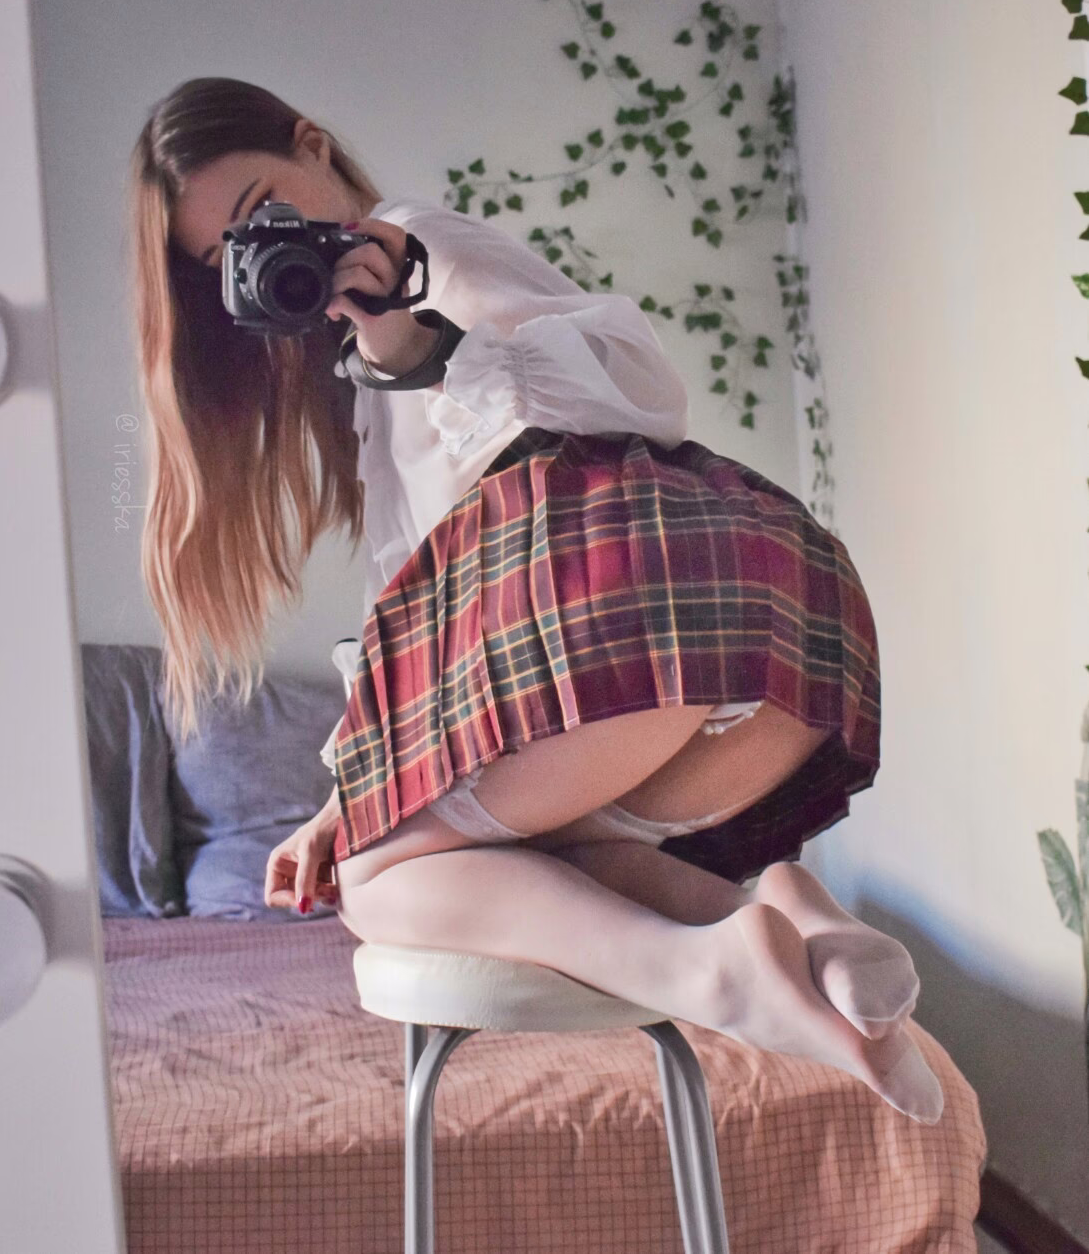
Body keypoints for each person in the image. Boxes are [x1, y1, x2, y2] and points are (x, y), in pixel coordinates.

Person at [129, 74, 941, 1125]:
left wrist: (419, 344)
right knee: (555, 860)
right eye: (225, 259)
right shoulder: (362, 353)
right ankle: (803, 932)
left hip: (648, 628)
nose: (261, 253)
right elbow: (421, 616)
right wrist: (345, 796)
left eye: (263, 211)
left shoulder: (418, 248)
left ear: (313, 146)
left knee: (376, 882)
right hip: (758, 640)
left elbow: (637, 388)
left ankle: (710, 973)